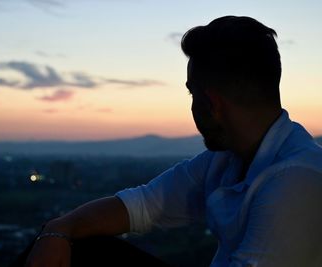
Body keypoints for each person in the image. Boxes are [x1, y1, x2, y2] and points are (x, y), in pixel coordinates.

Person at [23, 16, 322, 267]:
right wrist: (59, 230)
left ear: (211, 103)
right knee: (83, 247)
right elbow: (144, 205)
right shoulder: (227, 160)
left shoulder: (296, 180)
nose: (192, 106)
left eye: (192, 94)